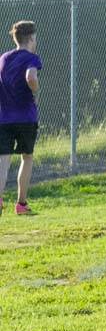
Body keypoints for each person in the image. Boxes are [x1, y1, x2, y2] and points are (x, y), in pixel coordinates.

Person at [0, 20, 42, 216]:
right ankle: (21, 204)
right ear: (31, 38)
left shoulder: (3, 58)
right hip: (25, 117)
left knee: (3, 160)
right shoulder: (32, 58)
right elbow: (31, 77)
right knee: (27, 157)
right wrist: (35, 92)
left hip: (4, 118)